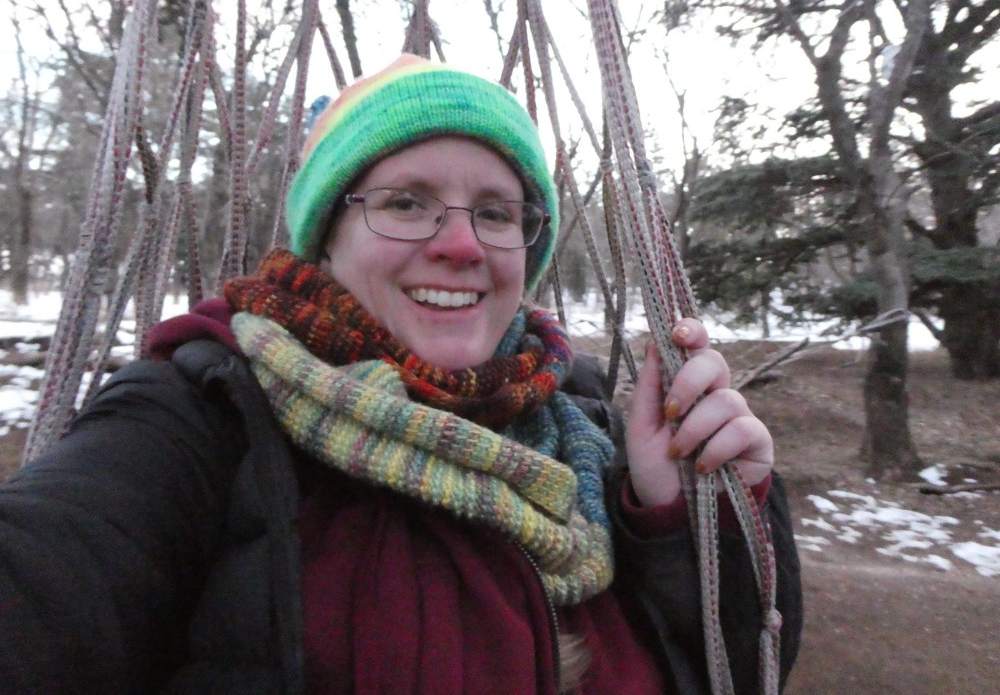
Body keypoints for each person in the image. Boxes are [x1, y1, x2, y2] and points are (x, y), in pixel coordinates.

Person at [0, 55, 801, 694]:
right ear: (326, 239)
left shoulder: (587, 428)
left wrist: (687, 522)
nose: (461, 245)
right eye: (407, 202)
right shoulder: (203, 413)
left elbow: (740, 665)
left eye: (494, 211)